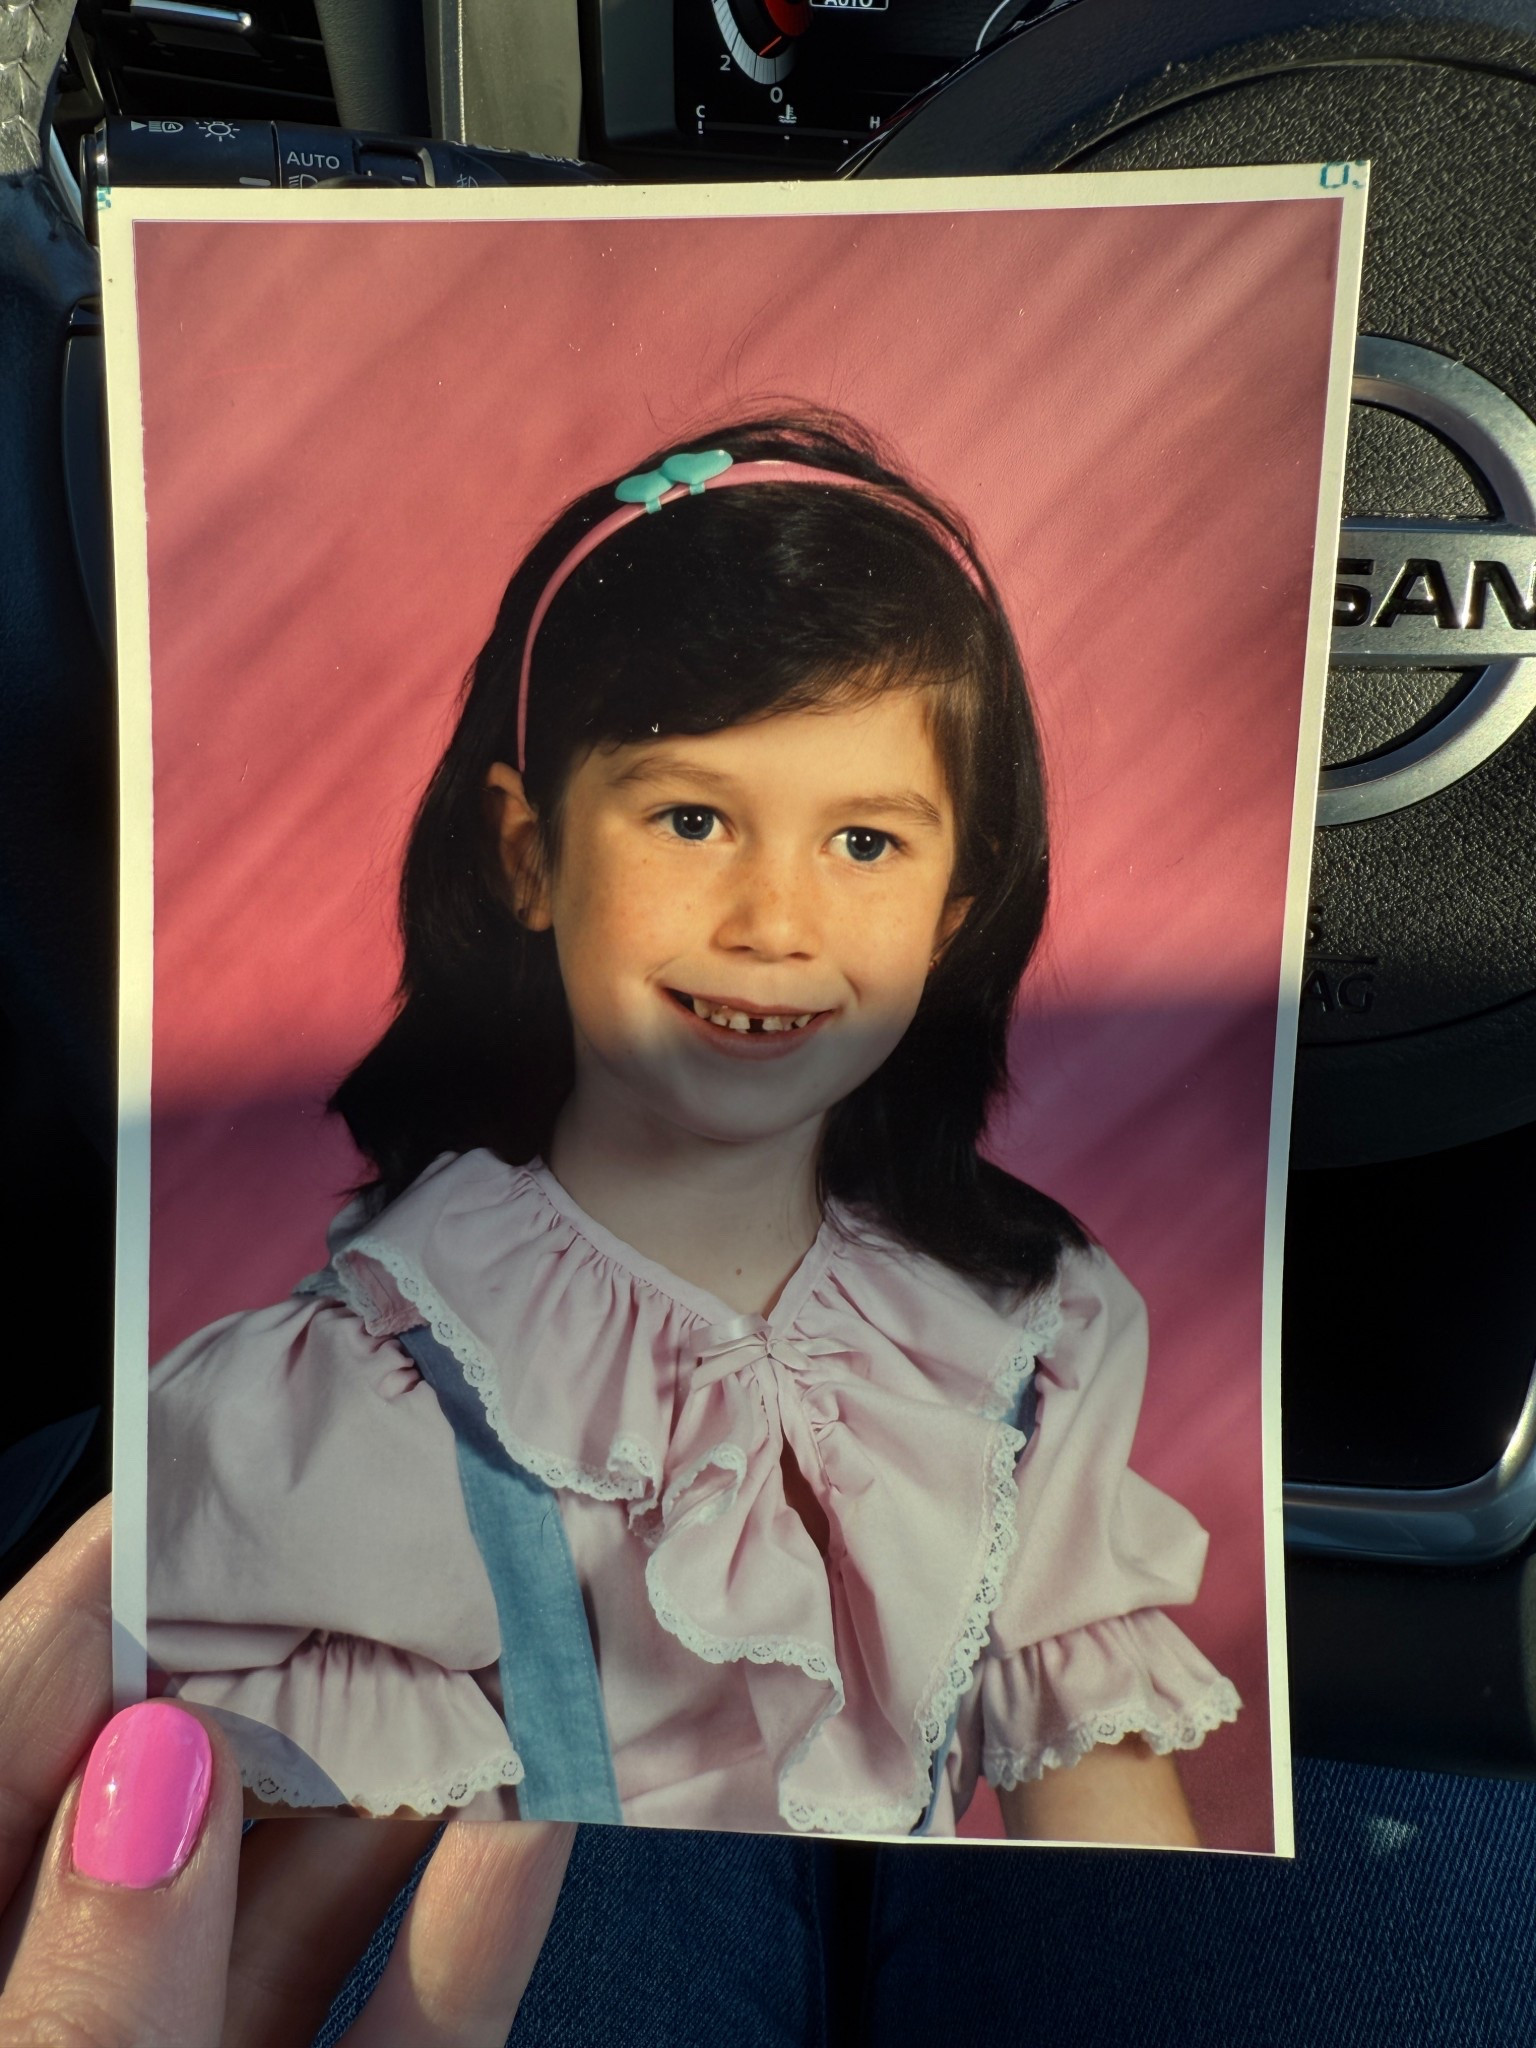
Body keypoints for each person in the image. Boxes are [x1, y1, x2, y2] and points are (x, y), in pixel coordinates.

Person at [146, 411, 1239, 1844]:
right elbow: (373, 1921)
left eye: (865, 844)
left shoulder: (1023, 1332)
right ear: (532, 855)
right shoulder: (382, 1387)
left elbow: (1103, 1832)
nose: (774, 925)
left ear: (951, 918)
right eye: (691, 821)